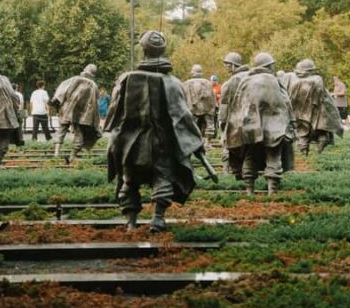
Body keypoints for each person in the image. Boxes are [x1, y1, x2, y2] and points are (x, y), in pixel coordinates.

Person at [105, 30, 212, 232]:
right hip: (160, 143)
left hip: (128, 144)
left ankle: (131, 222)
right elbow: (183, 117)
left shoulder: (125, 79)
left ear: (143, 49)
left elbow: (113, 113)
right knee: (162, 177)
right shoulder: (173, 83)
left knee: (129, 181)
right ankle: (158, 218)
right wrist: (196, 145)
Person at [225, 52, 295, 194]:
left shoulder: (245, 81)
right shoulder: (274, 80)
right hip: (275, 128)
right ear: (268, 65)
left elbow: (236, 105)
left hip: (251, 128)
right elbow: (286, 102)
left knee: (250, 156)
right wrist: (291, 122)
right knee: (273, 156)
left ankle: (249, 190)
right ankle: (272, 191)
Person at [287, 60, 343, 155]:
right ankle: (320, 143)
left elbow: (290, 98)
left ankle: (304, 151)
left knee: (302, 132)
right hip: (315, 111)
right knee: (320, 130)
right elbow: (322, 96)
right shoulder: (317, 79)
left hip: (299, 113)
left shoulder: (293, 81)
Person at [51, 64, 101, 161]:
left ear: (85, 70)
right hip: (82, 115)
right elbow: (95, 103)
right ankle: (72, 156)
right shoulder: (94, 86)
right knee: (79, 133)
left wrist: (55, 101)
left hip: (67, 110)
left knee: (61, 129)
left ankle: (56, 153)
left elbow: (61, 91)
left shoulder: (74, 79)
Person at [219, 51, 249, 172]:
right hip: (250, 119)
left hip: (234, 119)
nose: (226, 66)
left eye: (228, 64)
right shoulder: (250, 76)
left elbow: (224, 105)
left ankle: (227, 172)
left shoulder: (230, 82)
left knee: (228, 145)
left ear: (234, 65)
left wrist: (223, 123)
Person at [183, 65, 216, 141]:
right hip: (207, 108)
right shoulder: (208, 83)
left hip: (192, 109)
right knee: (210, 125)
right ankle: (207, 142)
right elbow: (212, 97)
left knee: (192, 125)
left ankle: (193, 141)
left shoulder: (186, 83)